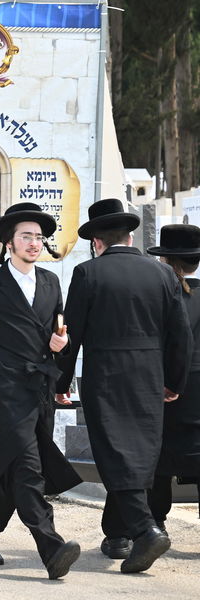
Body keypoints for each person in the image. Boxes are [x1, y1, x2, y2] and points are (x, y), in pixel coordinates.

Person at [0, 202, 83, 579]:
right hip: (7, 390)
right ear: (9, 242)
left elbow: (60, 334)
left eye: (39, 237)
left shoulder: (52, 282)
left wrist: (62, 349)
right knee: (28, 468)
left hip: (42, 387)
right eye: (27, 236)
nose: (35, 243)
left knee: (11, 464)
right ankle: (51, 546)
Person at [55, 198, 191, 573]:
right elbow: (179, 335)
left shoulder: (87, 273)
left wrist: (60, 382)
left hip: (106, 377)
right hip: (149, 377)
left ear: (97, 241)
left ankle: (145, 530)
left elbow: (72, 336)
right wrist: (173, 380)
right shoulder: (163, 274)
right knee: (139, 453)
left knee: (114, 453)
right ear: (130, 237)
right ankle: (117, 534)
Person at [146, 224, 200, 533]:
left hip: (166, 386)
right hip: (198, 389)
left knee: (160, 457)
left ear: (165, 260)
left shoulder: (161, 295)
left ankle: (157, 523)